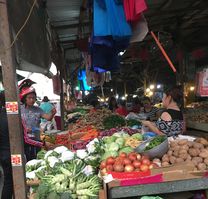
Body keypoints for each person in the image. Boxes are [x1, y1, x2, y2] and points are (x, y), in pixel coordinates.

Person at [19, 79, 56, 160]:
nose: (32, 100)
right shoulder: (19, 109)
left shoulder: (38, 109)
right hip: (23, 139)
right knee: (27, 158)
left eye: (33, 98)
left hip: (36, 138)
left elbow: (48, 118)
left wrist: (53, 113)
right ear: (25, 98)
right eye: (29, 98)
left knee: (36, 157)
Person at [0, 91, 13, 199]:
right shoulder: (11, 117)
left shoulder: (1, 114)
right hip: (11, 154)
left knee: (7, 182)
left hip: (3, 154)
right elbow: (24, 139)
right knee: (11, 182)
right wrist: (41, 143)